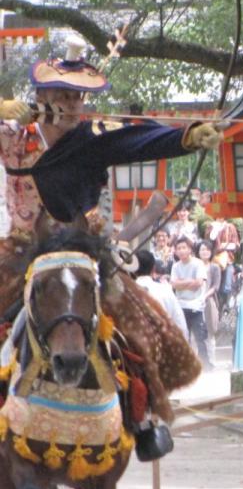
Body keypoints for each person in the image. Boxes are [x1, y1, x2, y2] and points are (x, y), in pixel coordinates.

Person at [0, 36, 222, 421]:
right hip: (24, 248)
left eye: (78, 99)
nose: (72, 106)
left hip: (85, 248)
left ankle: (141, 418)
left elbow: (136, 139)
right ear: (41, 95)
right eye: (64, 96)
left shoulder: (93, 139)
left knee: (142, 324)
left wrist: (186, 137)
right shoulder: (15, 136)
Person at [169, 236, 210, 370]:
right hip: (181, 306)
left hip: (196, 306)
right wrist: (189, 282)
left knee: (200, 337)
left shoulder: (198, 264)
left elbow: (199, 283)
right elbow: (174, 285)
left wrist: (182, 282)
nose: (181, 251)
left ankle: (205, 364)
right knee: (183, 337)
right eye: (178, 248)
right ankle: (186, 365)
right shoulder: (175, 266)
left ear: (190, 249)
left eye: (183, 248)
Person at [134, 249, 188, 339]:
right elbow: (180, 325)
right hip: (164, 344)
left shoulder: (125, 291)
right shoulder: (165, 290)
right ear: (153, 269)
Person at [196, 238, 220, 367]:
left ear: (211, 252)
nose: (204, 252)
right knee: (196, 333)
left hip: (209, 301)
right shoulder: (194, 265)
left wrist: (205, 296)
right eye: (202, 249)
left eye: (207, 249)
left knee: (210, 333)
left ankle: (212, 360)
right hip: (194, 301)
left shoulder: (214, 267)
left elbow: (215, 286)